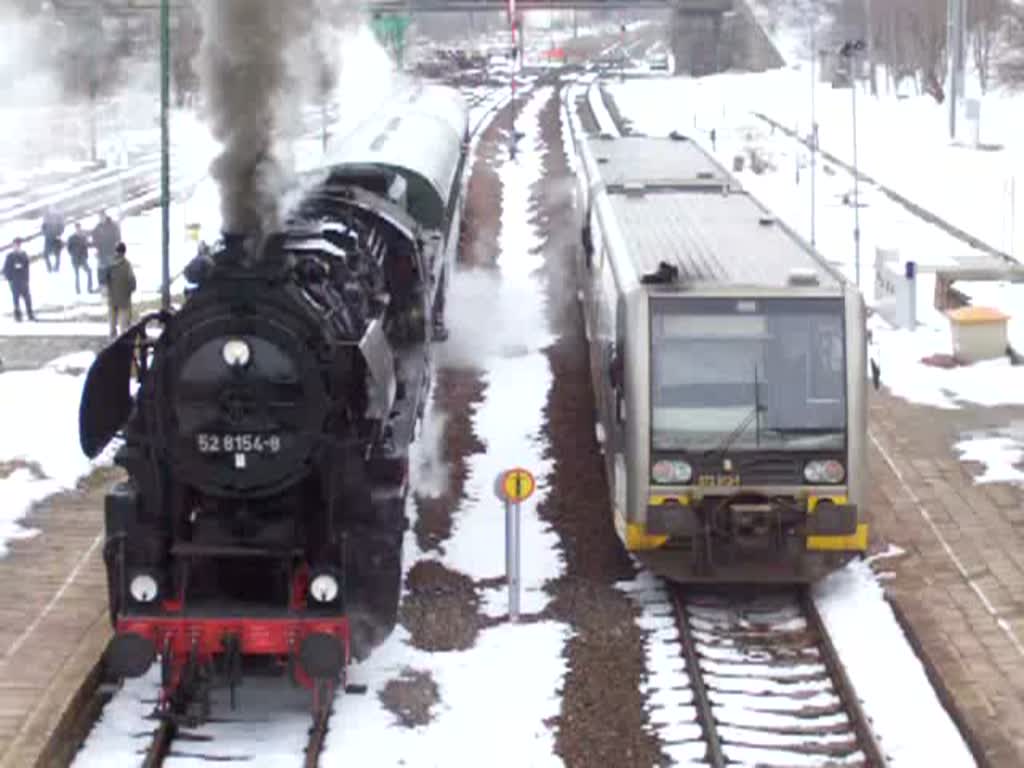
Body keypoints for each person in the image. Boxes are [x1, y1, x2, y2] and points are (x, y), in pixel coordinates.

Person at [107, 242, 136, 338]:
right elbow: (132, 281)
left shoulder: (110, 264)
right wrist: (131, 290)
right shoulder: (127, 265)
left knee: (112, 322)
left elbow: (105, 279)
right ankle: (121, 342)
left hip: (112, 298)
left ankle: (111, 339)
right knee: (123, 325)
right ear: (124, 252)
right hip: (124, 298)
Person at [2, 238, 35, 322]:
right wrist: (10, 278)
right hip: (14, 281)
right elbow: (6, 268)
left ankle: (30, 314)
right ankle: (18, 316)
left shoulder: (24, 255)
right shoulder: (10, 256)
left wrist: (26, 278)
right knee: (16, 299)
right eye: (15, 245)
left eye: (18, 245)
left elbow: (27, 266)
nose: (16, 247)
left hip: (23, 280)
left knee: (27, 298)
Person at [91, 211, 121, 289]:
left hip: (111, 251)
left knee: (111, 268)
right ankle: (102, 286)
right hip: (101, 252)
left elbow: (117, 237)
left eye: (102, 217)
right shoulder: (98, 227)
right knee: (101, 269)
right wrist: (96, 248)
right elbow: (94, 237)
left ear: (105, 216)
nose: (101, 219)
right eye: (99, 217)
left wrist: (116, 246)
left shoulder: (112, 225)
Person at [67, 222, 93, 295]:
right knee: (77, 275)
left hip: (82, 258)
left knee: (89, 271)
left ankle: (89, 288)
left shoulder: (83, 237)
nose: (78, 229)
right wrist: (73, 254)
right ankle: (78, 290)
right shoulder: (71, 238)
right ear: (75, 229)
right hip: (75, 259)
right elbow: (68, 248)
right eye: (77, 228)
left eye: (79, 228)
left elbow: (88, 245)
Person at [41, 207, 65, 273]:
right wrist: (46, 233)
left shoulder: (58, 218)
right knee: (46, 255)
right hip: (49, 239)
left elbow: (62, 227)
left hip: (54, 239)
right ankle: (50, 268)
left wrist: (58, 234)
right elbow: (43, 228)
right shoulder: (47, 219)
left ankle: (55, 268)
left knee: (57, 255)